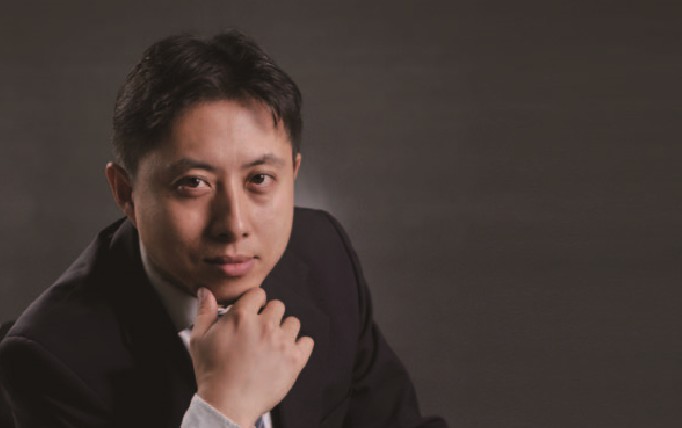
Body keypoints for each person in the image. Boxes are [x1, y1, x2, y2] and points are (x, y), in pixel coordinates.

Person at [0, 30, 447, 428]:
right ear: (126, 192)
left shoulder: (324, 253)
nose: (234, 226)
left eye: (260, 179)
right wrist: (223, 409)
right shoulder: (48, 359)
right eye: (193, 183)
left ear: (292, 175)